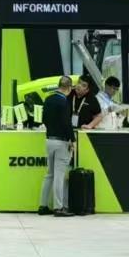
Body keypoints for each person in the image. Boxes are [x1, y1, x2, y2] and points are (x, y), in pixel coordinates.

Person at [38, 75, 74, 217]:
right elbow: (67, 123)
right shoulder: (64, 102)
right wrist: (73, 140)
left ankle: (43, 205)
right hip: (61, 142)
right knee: (59, 175)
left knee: (49, 174)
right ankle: (59, 207)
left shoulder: (48, 99)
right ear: (69, 88)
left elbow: (43, 119)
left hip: (49, 140)